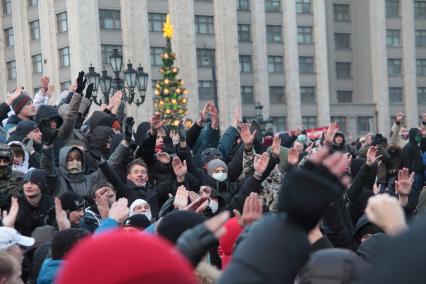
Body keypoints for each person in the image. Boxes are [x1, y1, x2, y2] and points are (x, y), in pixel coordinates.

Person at [14, 169, 54, 237]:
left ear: (42, 185)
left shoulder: (52, 202)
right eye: (26, 182)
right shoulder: (15, 203)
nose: (28, 186)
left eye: (33, 183)